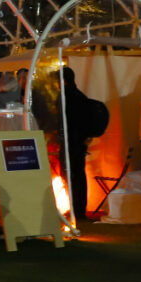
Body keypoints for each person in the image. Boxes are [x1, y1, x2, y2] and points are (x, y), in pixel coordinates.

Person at [57, 66, 92, 221]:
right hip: (79, 141)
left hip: (69, 140)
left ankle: (74, 209)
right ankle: (79, 210)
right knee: (79, 175)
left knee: (69, 175)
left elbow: (60, 119)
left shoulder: (64, 96)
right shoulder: (80, 95)